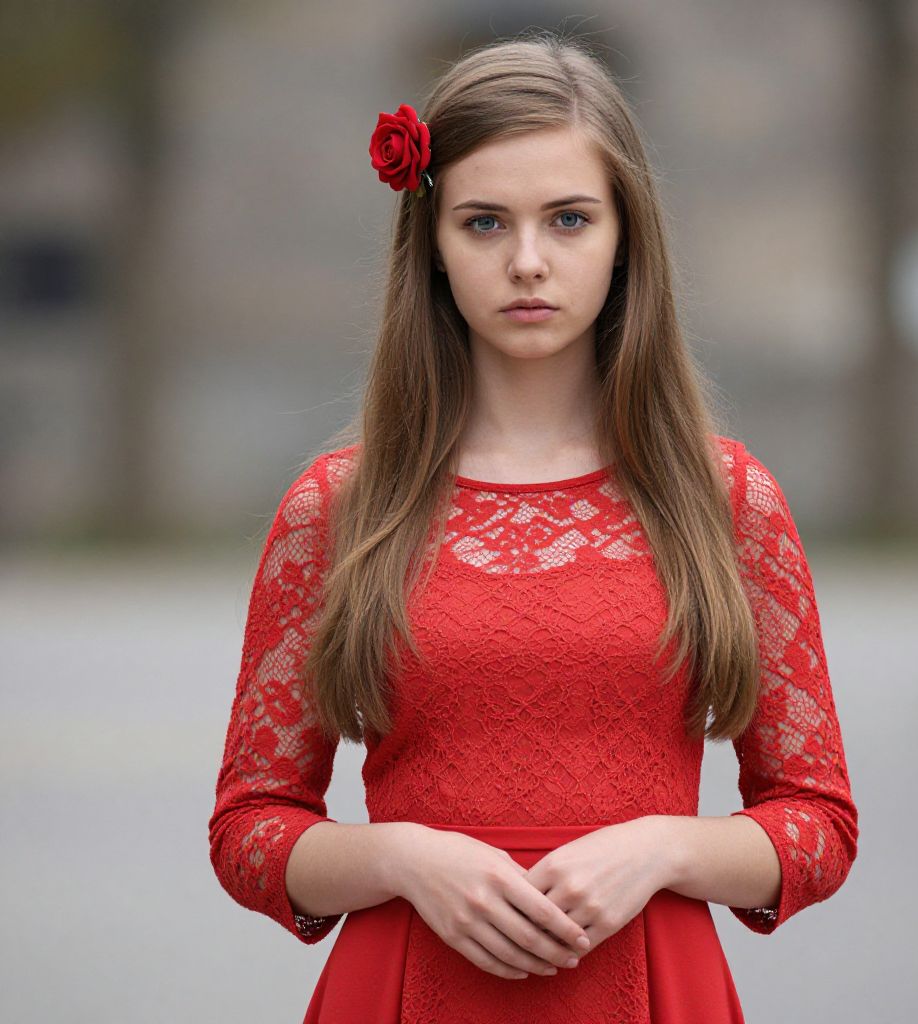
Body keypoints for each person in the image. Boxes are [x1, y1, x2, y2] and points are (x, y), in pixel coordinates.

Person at [208, 30, 858, 1023]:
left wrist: (665, 846)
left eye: (568, 219)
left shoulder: (726, 499)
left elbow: (818, 824)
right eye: (483, 223)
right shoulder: (337, 507)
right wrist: (398, 857)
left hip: (652, 986)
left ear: (625, 236)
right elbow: (249, 830)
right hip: (403, 988)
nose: (526, 261)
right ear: (431, 245)